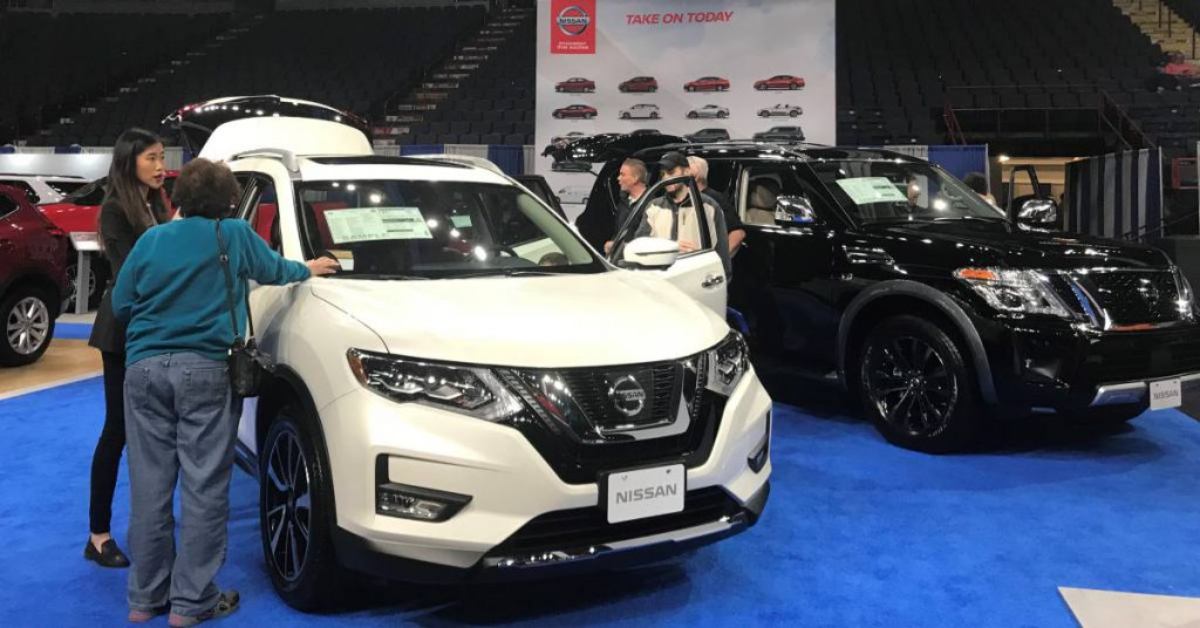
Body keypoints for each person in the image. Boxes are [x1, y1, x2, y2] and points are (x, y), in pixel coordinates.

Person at [112, 158, 339, 625]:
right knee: (203, 487)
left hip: (144, 370)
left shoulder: (152, 240)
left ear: (180, 198)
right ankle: (191, 604)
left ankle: (144, 599)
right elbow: (276, 270)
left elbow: (121, 303)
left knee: (149, 488)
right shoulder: (231, 235)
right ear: (229, 200)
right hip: (206, 370)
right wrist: (310, 267)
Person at [85, 128, 172, 570]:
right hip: (122, 332)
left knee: (152, 433)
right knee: (117, 430)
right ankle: (98, 535)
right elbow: (130, 275)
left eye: (161, 157)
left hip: (157, 329)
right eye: (152, 158)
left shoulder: (158, 204)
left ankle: (152, 528)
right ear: (129, 161)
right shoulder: (115, 210)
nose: (160, 166)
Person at [638, 151, 731, 274]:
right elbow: (639, 245)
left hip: (694, 281)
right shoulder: (654, 207)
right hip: (661, 281)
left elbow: (721, 254)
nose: (665, 177)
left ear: (687, 171)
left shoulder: (709, 207)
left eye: (670, 172)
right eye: (662, 174)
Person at [687, 155, 746, 256]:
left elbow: (738, 233)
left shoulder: (714, 200)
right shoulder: (683, 199)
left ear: (695, 175)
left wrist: (717, 260)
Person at [605, 158, 649, 254]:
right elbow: (618, 232)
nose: (618, 178)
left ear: (635, 178)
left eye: (622, 174)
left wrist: (619, 246)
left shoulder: (651, 204)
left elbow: (647, 240)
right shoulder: (623, 203)